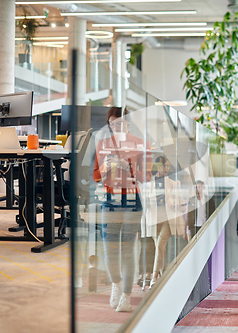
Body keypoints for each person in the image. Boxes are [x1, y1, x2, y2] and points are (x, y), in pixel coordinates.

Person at [93, 106, 151, 312]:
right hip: (109, 200)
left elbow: (147, 176)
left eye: (119, 123)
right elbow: (96, 176)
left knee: (127, 250)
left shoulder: (140, 144)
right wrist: (106, 168)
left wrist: (128, 167)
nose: (115, 127)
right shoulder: (102, 144)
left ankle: (126, 296)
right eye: (112, 124)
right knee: (109, 251)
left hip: (132, 201)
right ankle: (116, 285)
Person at [150, 155, 188, 288]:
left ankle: (154, 278)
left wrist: (177, 206)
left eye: (168, 166)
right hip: (154, 218)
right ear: (158, 167)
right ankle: (164, 277)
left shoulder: (173, 183)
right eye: (165, 166)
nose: (167, 168)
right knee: (160, 249)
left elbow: (183, 205)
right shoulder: (149, 183)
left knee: (160, 244)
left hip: (169, 218)